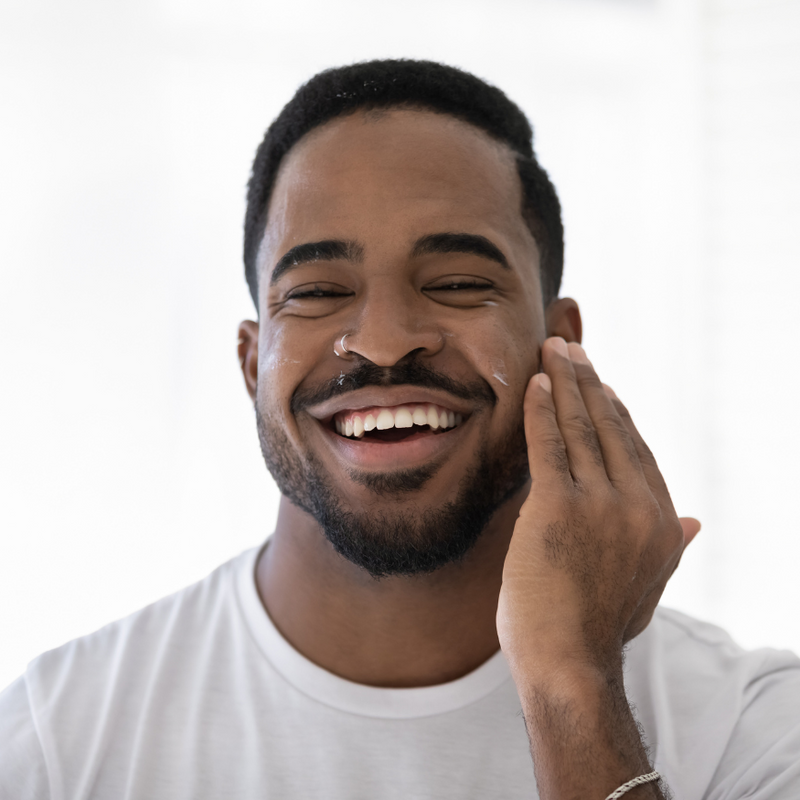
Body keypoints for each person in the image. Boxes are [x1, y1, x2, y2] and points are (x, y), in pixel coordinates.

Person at [1, 59, 798, 800]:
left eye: (456, 283)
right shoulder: (54, 742)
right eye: (316, 291)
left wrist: (573, 683)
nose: (383, 341)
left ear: (561, 348)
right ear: (252, 363)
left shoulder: (752, 730)